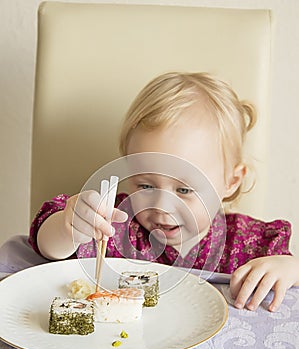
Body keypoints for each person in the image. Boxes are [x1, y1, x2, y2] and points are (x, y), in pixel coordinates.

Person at [29, 72, 299, 312]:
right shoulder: (117, 225)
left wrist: (290, 268)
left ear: (231, 181)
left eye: (183, 189)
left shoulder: (250, 242)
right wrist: (69, 227)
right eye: (145, 186)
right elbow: (47, 247)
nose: (162, 206)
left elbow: (286, 274)